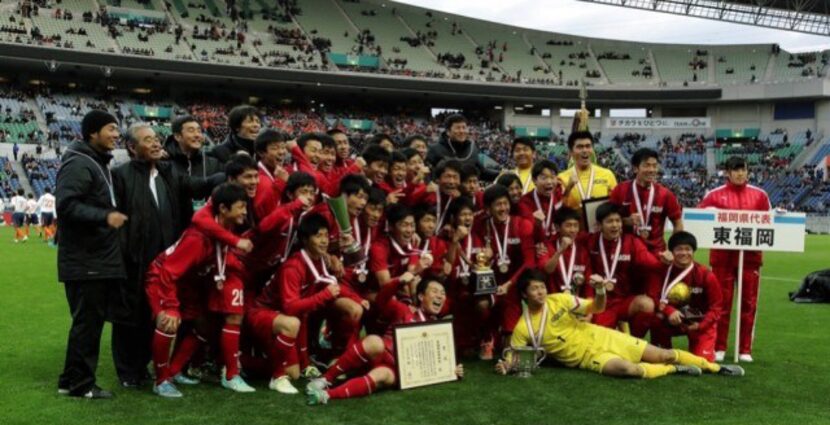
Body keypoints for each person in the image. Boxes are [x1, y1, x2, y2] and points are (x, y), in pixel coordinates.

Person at [111, 123, 224, 389]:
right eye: (147, 140)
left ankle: (146, 367)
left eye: (156, 139)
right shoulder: (120, 175)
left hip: (164, 262)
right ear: (131, 147)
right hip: (134, 260)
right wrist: (123, 256)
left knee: (155, 315)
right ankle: (128, 372)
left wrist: (229, 172)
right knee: (130, 318)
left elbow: (198, 186)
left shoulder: (167, 171)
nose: (155, 143)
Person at [495, 269, 744, 378]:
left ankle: (714, 368)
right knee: (629, 370)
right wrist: (506, 366)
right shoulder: (523, 326)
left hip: (604, 337)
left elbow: (596, 308)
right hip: (588, 359)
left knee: (664, 354)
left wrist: (601, 291)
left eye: (541, 287)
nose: (540, 292)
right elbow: (515, 355)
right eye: (534, 289)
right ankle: (673, 370)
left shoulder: (558, 299)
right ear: (525, 295)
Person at [145, 183, 253, 397]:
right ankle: (161, 380)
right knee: (169, 321)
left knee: (203, 326)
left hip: (188, 282)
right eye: (241, 207)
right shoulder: (198, 239)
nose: (244, 212)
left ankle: (173, 371)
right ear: (223, 208)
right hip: (163, 278)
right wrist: (171, 306)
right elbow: (168, 272)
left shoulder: (223, 228)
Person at [56, 110, 127, 399]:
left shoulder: (96, 163)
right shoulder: (79, 164)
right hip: (87, 259)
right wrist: (105, 216)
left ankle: (69, 380)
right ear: (92, 133)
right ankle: (81, 385)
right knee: (88, 324)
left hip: (95, 257)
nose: (116, 135)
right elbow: (67, 206)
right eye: (111, 129)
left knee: (88, 322)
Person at [305, 275, 464, 405]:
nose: (440, 296)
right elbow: (381, 299)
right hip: (379, 354)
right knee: (375, 342)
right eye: (435, 291)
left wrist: (451, 369)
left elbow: (438, 361)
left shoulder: (439, 330)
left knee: (382, 375)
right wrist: (398, 281)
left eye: (443, 293)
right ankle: (326, 379)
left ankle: (326, 395)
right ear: (421, 296)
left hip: (398, 370)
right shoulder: (404, 309)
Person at [698, 156, 771, 362]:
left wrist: (778, 216)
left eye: (743, 170)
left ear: (748, 172)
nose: (740, 174)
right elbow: (699, 219)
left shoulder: (760, 195)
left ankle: (745, 349)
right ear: (727, 173)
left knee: (749, 304)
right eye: (735, 170)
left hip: (750, 258)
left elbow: (768, 221)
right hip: (722, 259)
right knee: (721, 303)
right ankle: (719, 346)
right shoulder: (713, 196)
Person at [586, 202, 671, 337]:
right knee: (598, 339)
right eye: (609, 221)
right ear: (599, 225)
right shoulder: (589, 241)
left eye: (618, 221)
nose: (615, 225)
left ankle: (634, 341)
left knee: (646, 305)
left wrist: (664, 261)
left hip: (625, 302)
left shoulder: (631, 241)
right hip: (601, 303)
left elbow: (651, 264)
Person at [648, 232, 722, 362]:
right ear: (671, 252)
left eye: (688, 249)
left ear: (693, 251)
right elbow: (653, 296)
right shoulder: (662, 270)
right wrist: (669, 311)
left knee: (701, 362)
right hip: (670, 320)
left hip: (699, 323)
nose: (684, 253)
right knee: (656, 319)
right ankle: (663, 349)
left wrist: (701, 325)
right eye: (679, 249)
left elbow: (716, 307)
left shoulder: (705, 275)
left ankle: (705, 350)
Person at [609, 148, 683, 254]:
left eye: (654, 165)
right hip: (627, 253)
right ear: (635, 168)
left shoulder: (666, 194)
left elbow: (678, 224)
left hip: (657, 254)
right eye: (647, 165)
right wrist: (625, 221)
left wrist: (671, 249)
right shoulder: (620, 190)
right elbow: (607, 221)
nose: (652, 170)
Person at [425, 114, 498, 181]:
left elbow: (482, 172)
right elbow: (427, 174)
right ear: (448, 132)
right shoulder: (434, 149)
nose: (462, 131)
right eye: (457, 128)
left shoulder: (472, 148)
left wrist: (501, 174)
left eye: (464, 127)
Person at [558, 131, 617, 212]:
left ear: (592, 150)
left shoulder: (607, 174)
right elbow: (557, 208)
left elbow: (615, 204)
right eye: (579, 147)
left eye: (588, 146)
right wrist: (568, 188)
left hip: (599, 223)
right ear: (571, 152)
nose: (585, 150)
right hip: (574, 224)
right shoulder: (561, 178)